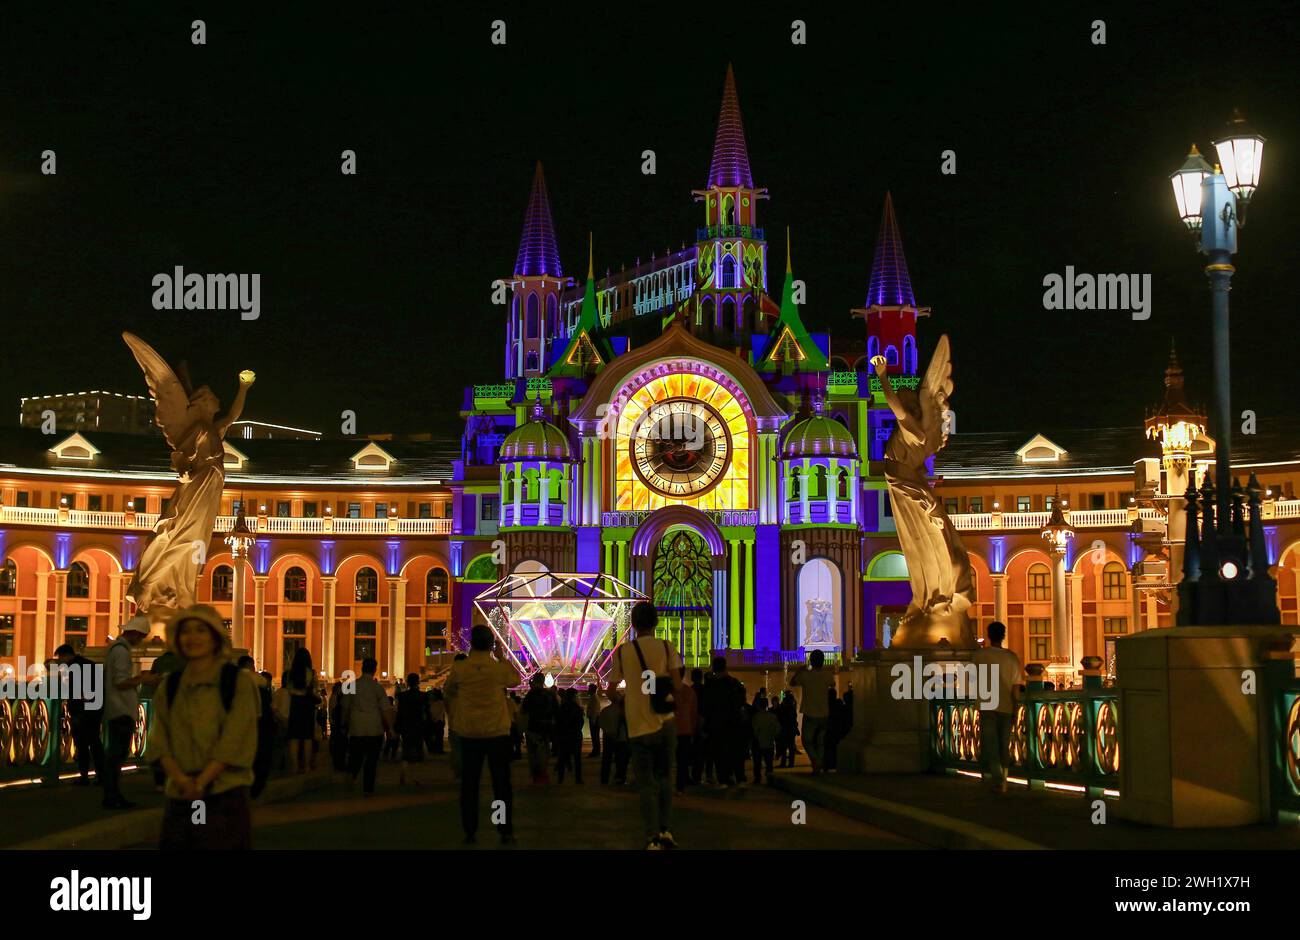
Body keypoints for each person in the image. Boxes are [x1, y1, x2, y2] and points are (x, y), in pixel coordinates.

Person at [149, 605, 260, 849]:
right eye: (185, 631)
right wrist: (180, 779)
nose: (192, 638)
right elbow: (159, 738)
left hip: (224, 793)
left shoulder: (237, 682)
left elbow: (235, 738)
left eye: (201, 630)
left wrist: (200, 783)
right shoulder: (170, 685)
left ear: (215, 637)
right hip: (180, 794)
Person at [608, 601, 681, 850]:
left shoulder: (623, 651)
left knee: (646, 784)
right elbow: (678, 685)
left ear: (633, 624)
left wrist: (625, 703)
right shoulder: (666, 647)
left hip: (637, 725)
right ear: (656, 622)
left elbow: (610, 689)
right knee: (665, 778)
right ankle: (666, 830)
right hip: (665, 722)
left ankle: (651, 838)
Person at [444, 625, 521, 844]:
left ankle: (470, 829)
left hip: (469, 733)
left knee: (470, 785)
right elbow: (515, 680)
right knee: (501, 786)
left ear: (471, 644)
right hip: (497, 732)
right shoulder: (497, 669)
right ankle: (503, 828)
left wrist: (456, 712)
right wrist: (501, 657)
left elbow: (448, 691)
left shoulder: (460, 669)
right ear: (491, 645)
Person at [102, 614, 157, 809]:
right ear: (134, 634)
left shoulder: (115, 649)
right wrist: (143, 679)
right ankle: (112, 796)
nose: (140, 641)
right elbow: (121, 682)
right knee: (117, 755)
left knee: (115, 755)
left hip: (117, 708)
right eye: (141, 637)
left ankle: (112, 794)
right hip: (121, 710)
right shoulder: (122, 652)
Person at [972, 621, 1023, 794]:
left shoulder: (979, 655)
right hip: (1006, 706)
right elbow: (1016, 687)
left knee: (991, 744)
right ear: (1003, 636)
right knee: (1004, 743)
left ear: (988, 635)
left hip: (986, 704)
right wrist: (1016, 707)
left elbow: (971, 679)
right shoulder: (1011, 657)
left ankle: (997, 778)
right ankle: (1004, 777)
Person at [54, 643, 105, 788]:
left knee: (82, 744)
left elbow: (69, 689)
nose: (60, 661)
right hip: (94, 710)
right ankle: (101, 775)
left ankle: (84, 776)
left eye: (60, 658)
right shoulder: (89, 664)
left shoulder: (73, 668)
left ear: (66, 655)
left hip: (81, 711)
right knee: (95, 743)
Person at [339, 657, 391, 796]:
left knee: (355, 757)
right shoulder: (378, 687)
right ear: (375, 670)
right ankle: (368, 789)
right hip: (374, 728)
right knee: (372, 760)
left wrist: (343, 723)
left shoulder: (351, 685)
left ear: (362, 669)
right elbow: (385, 709)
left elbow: (345, 708)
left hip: (356, 727)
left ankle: (350, 779)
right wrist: (390, 728)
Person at [701, 656, 745, 789]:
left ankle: (723, 779)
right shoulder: (734, 683)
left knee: (720, 753)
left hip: (717, 723)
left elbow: (706, 707)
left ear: (714, 668)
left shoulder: (711, 686)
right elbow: (741, 702)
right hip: (734, 722)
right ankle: (740, 778)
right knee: (736, 752)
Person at [790, 650, 835, 774]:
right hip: (824, 712)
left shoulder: (806, 675)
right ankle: (818, 762)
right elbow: (833, 684)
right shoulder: (827, 675)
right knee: (820, 740)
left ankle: (815, 760)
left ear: (811, 661)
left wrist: (799, 671)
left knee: (806, 740)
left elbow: (792, 683)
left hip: (810, 711)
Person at [237, 655, 275, 798]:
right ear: (249, 665)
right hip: (260, 724)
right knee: (261, 756)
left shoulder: (235, 681)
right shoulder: (259, 683)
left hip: (245, 725)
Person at [281, 647, 320, 774]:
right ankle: (307, 766)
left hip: (295, 704)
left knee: (294, 737)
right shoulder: (311, 673)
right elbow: (314, 691)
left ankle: (295, 766)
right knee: (307, 737)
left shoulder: (290, 673)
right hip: (307, 704)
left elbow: (289, 690)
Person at [520, 673, 556, 785]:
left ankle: (537, 775)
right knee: (545, 750)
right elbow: (556, 710)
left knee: (534, 753)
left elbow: (523, 710)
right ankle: (543, 773)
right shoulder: (549, 695)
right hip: (546, 727)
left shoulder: (530, 695)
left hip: (533, 727)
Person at [396, 673, 427, 785]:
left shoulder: (403, 696)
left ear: (407, 682)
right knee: (418, 749)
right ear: (418, 682)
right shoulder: (423, 696)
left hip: (406, 726)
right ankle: (416, 777)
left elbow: (399, 713)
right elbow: (426, 713)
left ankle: (403, 771)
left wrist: (397, 727)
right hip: (418, 726)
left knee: (406, 749)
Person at [673, 665, 698, 795]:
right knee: (682, 762)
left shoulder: (667, 691)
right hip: (685, 730)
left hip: (670, 729)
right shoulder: (689, 692)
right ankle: (680, 787)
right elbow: (693, 714)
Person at [598, 689, 630, 784]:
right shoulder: (624, 712)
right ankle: (620, 778)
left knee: (606, 759)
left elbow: (600, 723)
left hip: (608, 737)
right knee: (621, 760)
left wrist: (608, 731)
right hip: (621, 738)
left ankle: (604, 778)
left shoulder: (605, 710)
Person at [554, 687, 585, 784]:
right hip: (575, 735)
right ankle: (578, 778)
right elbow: (580, 723)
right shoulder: (578, 709)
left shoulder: (561, 708)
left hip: (563, 735)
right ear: (574, 696)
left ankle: (560, 778)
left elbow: (557, 722)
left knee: (562, 757)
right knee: (577, 758)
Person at [750, 696, 780, 785]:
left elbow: (754, 730)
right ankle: (769, 778)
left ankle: (757, 778)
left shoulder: (756, 717)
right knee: (769, 762)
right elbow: (778, 729)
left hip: (758, 743)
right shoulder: (772, 717)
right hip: (769, 742)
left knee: (757, 762)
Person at [328, 679, 350, 773]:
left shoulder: (336, 697)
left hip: (337, 722)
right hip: (338, 723)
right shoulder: (335, 698)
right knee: (340, 745)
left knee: (340, 744)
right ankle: (339, 764)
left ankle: (339, 763)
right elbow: (334, 710)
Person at [777, 690, 799, 767]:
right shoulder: (793, 706)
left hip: (785, 728)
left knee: (784, 746)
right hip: (791, 728)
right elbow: (794, 718)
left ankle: (784, 763)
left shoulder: (784, 707)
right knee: (791, 746)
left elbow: (781, 716)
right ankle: (791, 763)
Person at [585, 681, 604, 757]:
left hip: (594, 720)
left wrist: (593, 720)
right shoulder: (594, 697)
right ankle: (596, 750)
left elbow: (595, 710)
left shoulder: (594, 698)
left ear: (591, 690)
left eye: (588, 689)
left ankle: (595, 751)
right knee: (595, 736)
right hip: (595, 719)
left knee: (595, 736)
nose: (587, 690)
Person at [427, 689, 447, 754]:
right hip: (436, 721)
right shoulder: (432, 702)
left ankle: (438, 749)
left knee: (438, 736)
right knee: (437, 736)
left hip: (438, 721)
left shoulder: (439, 703)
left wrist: (435, 719)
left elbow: (440, 712)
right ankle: (436, 749)